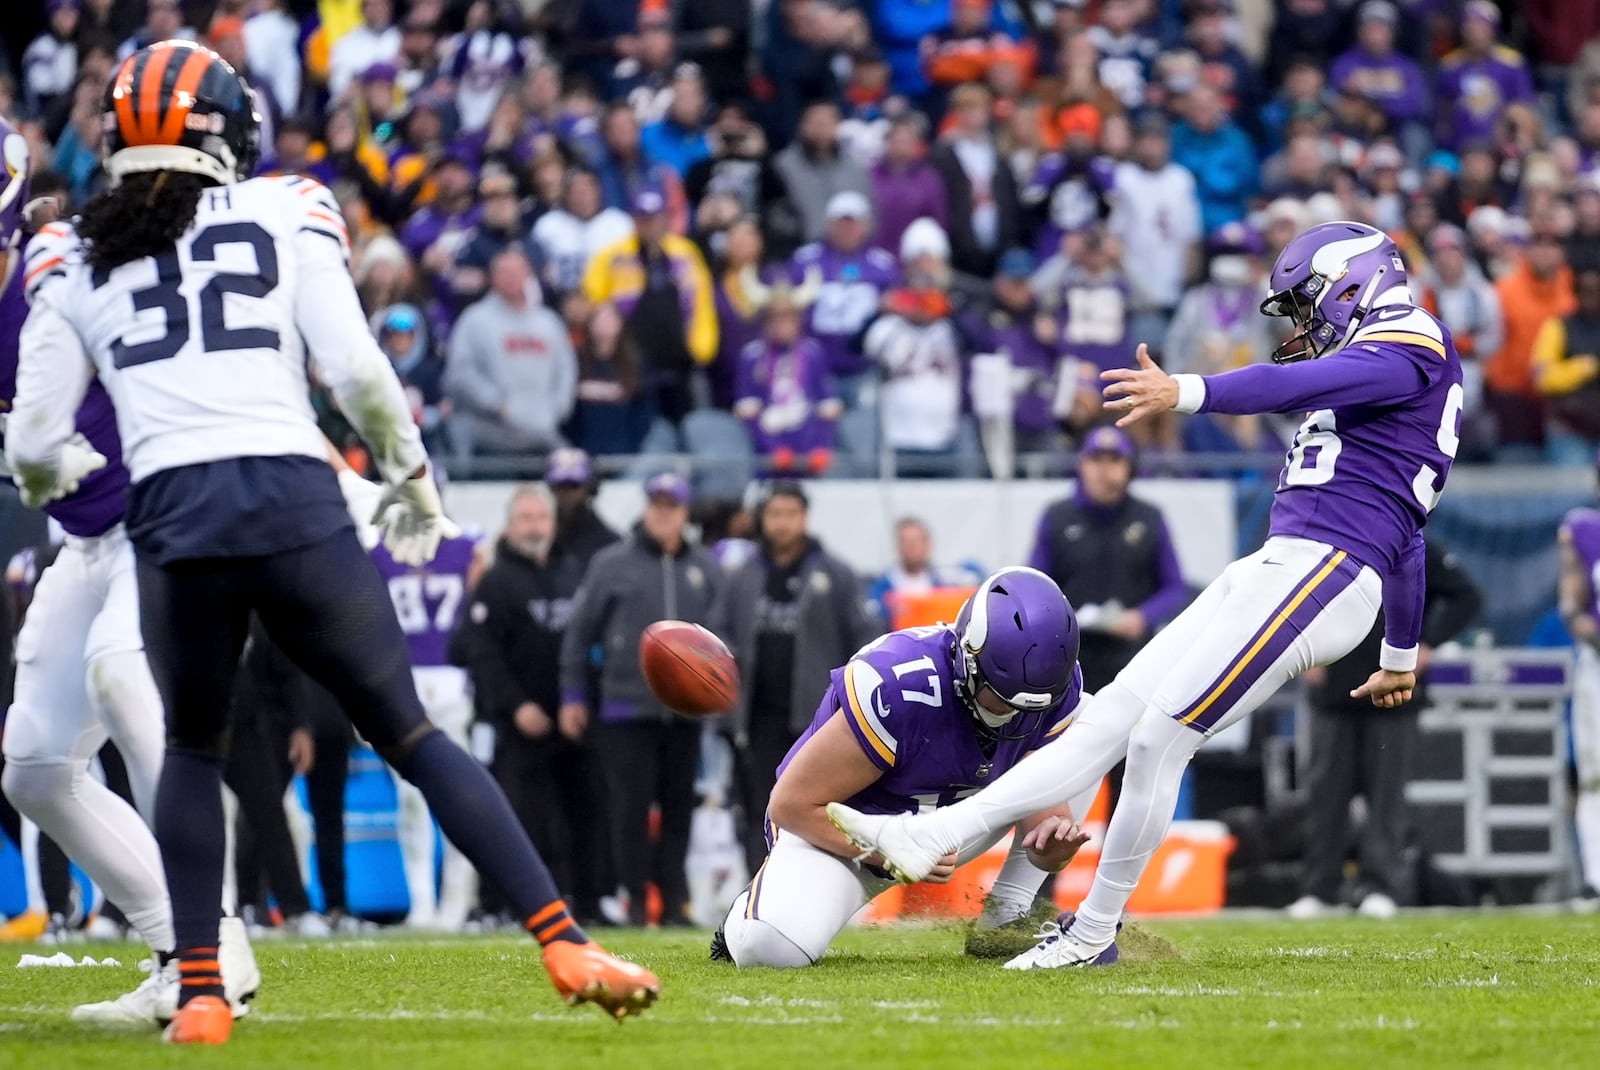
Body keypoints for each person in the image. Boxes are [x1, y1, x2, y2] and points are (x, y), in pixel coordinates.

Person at [5, 42, 656, 1041]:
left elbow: (35, 441)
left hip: (170, 516)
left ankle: (203, 985)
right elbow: (353, 370)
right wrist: (410, 480)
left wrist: (62, 480)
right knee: (405, 734)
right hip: (273, 500)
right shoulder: (285, 208)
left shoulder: (72, 252)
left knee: (174, 731)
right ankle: (563, 937)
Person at [828, 220, 1463, 969]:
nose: (1301, 325)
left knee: (1163, 735)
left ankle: (1093, 933)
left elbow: (1295, 385)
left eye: (1305, 304)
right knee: (1108, 719)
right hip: (1288, 563)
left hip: (1326, 568)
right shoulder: (1393, 360)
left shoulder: (1412, 340)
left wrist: (1184, 390)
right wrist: (1399, 651)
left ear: (1355, 282)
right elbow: (1411, 531)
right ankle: (938, 837)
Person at [0, 118, 264, 1022]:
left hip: (161, 518)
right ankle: (170, 949)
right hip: (84, 542)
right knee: (32, 768)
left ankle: (213, 940)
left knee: (126, 679)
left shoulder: (57, 273)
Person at [712, 566, 1092, 968]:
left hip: (950, 830)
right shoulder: (900, 687)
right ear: (969, 659)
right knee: (769, 949)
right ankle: (751, 912)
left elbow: (1042, 812)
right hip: (844, 834)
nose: (1013, 714)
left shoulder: (1051, 694)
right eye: (1001, 699)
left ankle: (1005, 920)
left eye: (1028, 705)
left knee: (1096, 723)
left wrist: (1053, 847)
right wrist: (885, 849)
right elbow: (789, 805)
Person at [1289, 538, 1482, 920]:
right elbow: (1296, 595)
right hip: (1334, 690)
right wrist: (1302, 647)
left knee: (1387, 797)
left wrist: (1428, 644)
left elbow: (1467, 597)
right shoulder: (1328, 542)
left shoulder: (1414, 545)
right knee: (1326, 794)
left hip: (1394, 694)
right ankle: (1320, 889)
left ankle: (1383, 887)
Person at [558, 472, 719, 926]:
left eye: (672, 506)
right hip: (627, 708)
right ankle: (632, 900)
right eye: (656, 505)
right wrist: (573, 694)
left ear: (685, 514)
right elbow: (579, 634)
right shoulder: (612, 564)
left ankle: (671, 904)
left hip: (685, 712)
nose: (663, 514)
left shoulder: (703, 568)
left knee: (678, 809)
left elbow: (724, 639)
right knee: (628, 809)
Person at [709, 483, 876, 873]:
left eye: (790, 514)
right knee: (757, 807)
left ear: (805, 518)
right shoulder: (743, 576)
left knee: (817, 807)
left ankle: (813, 886)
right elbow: (717, 636)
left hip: (817, 719)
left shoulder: (835, 574)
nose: (782, 523)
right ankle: (757, 886)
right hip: (755, 716)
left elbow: (867, 639)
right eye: (774, 514)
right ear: (761, 520)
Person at [456, 485, 604, 924]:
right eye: (527, 518)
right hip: (517, 725)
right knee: (521, 820)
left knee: (584, 813)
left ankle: (588, 903)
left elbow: (589, 644)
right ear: (510, 524)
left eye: (542, 518)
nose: (535, 526)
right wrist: (516, 705)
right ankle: (509, 906)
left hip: (572, 719)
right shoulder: (496, 580)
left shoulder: (574, 572)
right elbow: (479, 653)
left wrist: (580, 699)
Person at [372, 527, 486, 931]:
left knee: (458, 795)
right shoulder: (378, 551)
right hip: (403, 682)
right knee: (411, 799)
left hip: (456, 686)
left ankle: (456, 902)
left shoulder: (468, 549)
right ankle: (421, 901)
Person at [1027, 426, 1188, 693]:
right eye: (1096, 459)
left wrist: (1143, 617)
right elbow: (1036, 585)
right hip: (1070, 655)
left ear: (1130, 467)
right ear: (1081, 464)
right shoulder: (1056, 517)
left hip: (1132, 656)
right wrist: (1062, 619)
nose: (1104, 469)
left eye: (1115, 460)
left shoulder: (1149, 518)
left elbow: (1174, 587)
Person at [444, 247, 578, 463]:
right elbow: (460, 374)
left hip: (541, 435)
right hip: (489, 437)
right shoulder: (475, 320)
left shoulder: (549, 323)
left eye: (517, 272)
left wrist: (555, 411)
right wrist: (497, 406)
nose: (511, 278)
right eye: (504, 272)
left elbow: (566, 371)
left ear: (528, 275)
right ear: (493, 278)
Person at [788, 191, 902, 402]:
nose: (847, 231)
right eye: (841, 223)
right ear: (828, 225)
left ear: (866, 226)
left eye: (853, 224)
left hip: (865, 368)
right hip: (818, 368)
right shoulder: (806, 260)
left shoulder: (883, 265)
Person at [733, 272, 841, 475]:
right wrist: (771, 449)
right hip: (767, 454)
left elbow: (826, 407)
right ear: (764, 320)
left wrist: (821, 446)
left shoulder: (813, 353)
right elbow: (749, 413)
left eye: (788, 316)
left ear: (799, 319)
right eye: (774, 317)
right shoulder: (752, 356)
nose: (781, 323)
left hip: (808, 448)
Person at [1559, 470, 1600, 906]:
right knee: (1595, 778)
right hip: (1598, 666)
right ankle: (1596, 878)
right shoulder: (1584, 530)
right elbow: (1573, 606)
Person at [1531, 267, 1600, 464]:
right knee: (1570, 489)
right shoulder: (1558, 326)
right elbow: (1542, 378)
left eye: (1596, 291)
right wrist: (1580, 369)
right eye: (1585, 291)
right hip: (1569, 427)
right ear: (1575, 293)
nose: (1591, 297)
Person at [864, 517, 985, 627]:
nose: (912, 547)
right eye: (907, 541)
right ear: (898, 546)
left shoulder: (944, 582)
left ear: (928, 545)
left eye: (917, 541)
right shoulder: (881, 589)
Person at [545, 447, 619, 570]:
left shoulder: (609, 544)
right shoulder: (537, 538)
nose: (566, 493)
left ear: (589, 489)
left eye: (574, 486)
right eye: (560, 486)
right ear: (551, 489)